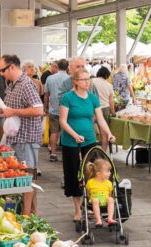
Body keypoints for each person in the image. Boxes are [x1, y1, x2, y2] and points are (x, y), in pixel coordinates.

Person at [0, 54, 43, 216]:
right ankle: (29, 212)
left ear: (12, 67)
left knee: (27, 177)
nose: (1, 73)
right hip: (16, 138)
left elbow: (39, 110)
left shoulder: (26, 84)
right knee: (22, 176)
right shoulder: (11, 85)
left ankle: (27, 214)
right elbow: (4, 108)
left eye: (3, 70)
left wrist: (14, 112)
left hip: (27, 138)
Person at [59, 68, 115, 222]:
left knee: (91, 173)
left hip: (89, 140)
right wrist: (75, 135)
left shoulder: (92, 98)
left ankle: (90, 205)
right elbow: (62, 121)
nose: (87, 82)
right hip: (71, 142)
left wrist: (109, 133)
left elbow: (100, 119)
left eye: (88, 79)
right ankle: (77, 210)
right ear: (75, 81)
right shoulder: (67, 98)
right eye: (83, 79)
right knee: (74, 174)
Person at [44, 59, 70, 161]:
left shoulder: (50, 78)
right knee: (66, 132)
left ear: (57, 66)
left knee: (54, 132)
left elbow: (46, 95)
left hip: (53, 109)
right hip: (67, 110)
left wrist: (45, 107)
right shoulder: (70, 79)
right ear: (68, 67)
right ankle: (66, 154)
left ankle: (53, 153)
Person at [86, 159, 117, 226]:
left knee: (111, 199)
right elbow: (88, 193)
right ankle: (98, 220)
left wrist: (109, 198)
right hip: (94, 199)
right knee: (95, 201)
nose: (110, 173)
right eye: (107, 171)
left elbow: (110, 193)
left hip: (105, 199)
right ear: (99, 174)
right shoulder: (90, 182)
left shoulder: (109, 183)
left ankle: (110, 218)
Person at [92, 67, 115, 151]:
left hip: (92, 108)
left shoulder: (92, 81)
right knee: (103, 132)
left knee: (90, 128)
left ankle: (90, 149)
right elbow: (111, 101)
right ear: (106, 75)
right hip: (104, 108)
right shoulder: (109, 85)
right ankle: (103, 151)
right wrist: (113, 112)